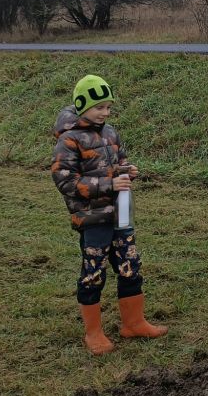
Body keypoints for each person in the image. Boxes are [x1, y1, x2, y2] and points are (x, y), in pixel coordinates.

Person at [51, 74, 168, 355]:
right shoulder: (68, 140)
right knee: (94, 272)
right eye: (99, 107)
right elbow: (65, 181)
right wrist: (108, 184)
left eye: (108, 107)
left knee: (130, 265)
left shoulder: (111, 133)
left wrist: (127, 171)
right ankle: (93, 333)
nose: (105, 113)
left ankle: (134, 323)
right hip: (92, 219)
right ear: (82, 105)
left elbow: (119, 162)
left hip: (121, 215)